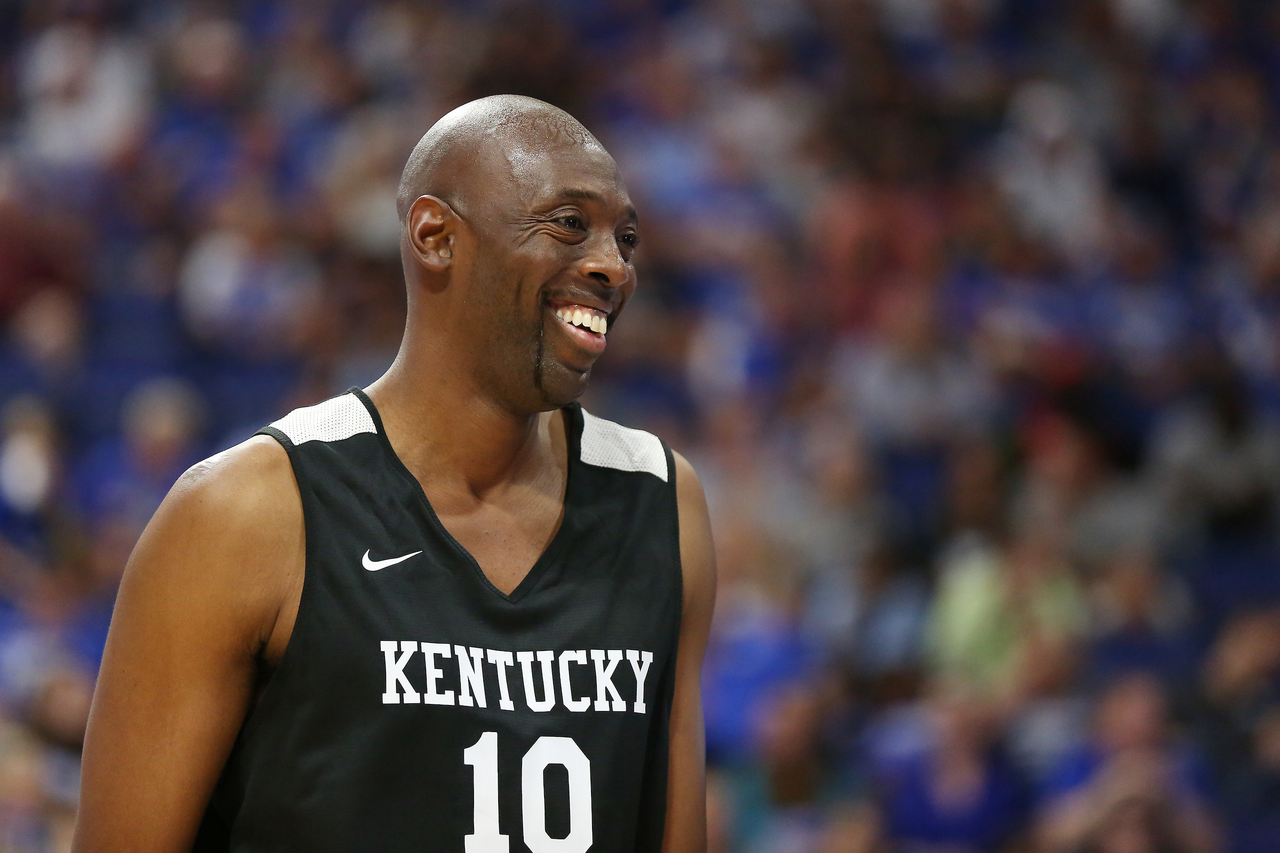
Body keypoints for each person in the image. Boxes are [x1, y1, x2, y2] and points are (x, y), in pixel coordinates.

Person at [71, 95, 717, 853]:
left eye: (627, 237)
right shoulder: (245, 511)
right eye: (570, 223)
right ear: (436, 236)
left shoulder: (663, 501)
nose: (613, 264)